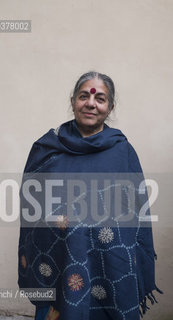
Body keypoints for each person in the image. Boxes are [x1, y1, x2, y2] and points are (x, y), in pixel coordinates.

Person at [18, 71, 162, 320]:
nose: (91, 103)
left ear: (110, 107)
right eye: (84, 96)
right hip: (57, 257)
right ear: (73, 100)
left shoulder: (122, 152)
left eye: (100, 99)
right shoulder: (47, 148)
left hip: (109, 263)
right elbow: (32, 204)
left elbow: (136, 212)